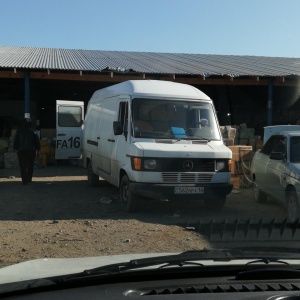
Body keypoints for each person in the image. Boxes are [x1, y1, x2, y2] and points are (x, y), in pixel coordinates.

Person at [13, 118, 40, 185]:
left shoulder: (19, 131)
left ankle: (24, 180)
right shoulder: (32, 131)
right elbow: (36, 141)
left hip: (21, 151)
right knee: (30, 165)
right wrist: (38, 148)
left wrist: (15, 148)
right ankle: (29, 179)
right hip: (31, 150)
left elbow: (16, 140)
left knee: (23, 166)